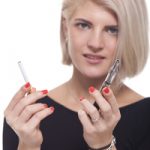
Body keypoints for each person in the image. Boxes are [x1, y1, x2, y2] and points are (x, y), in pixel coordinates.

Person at [3, 0, 150, 150]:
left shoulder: (146, 117)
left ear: (131, 36)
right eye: (84, 25)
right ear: (65, 27)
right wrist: (28, 145)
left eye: (112, 30)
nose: (95, 43)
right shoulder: (26, 116)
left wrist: (103, 145)